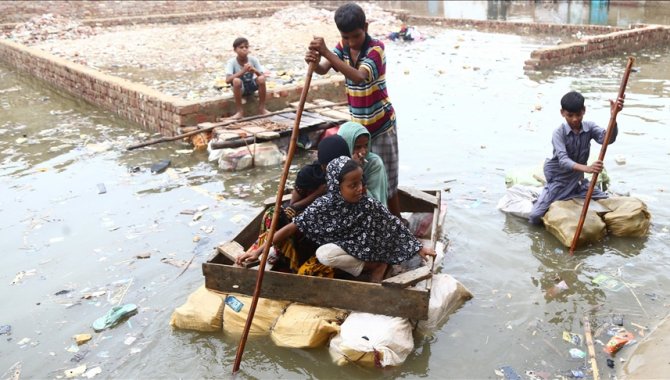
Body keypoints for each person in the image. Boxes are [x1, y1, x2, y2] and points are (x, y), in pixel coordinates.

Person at [237, 156, 436, 283]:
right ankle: (371, 266)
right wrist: (258, 252)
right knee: (324, 254)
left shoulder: (367, 203)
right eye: (353, 185)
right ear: (336, 187)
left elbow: (392, 223)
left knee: (383, 230)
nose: (360, 189)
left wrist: (419, 248)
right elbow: (291, 228)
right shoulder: (323, 205)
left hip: (369, 246)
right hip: (347, 248)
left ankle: (378, 263)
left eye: (360, 183)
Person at [305, 2, 401, 217]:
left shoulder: (376, 49)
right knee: (357, 176)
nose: (350, 42)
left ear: (365, 27)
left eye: (355, 36)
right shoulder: (343, 47)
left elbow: (359, 76)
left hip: (381, 125)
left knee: (388, 177)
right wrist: (314, 60)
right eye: (345, 37)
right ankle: (366, 218)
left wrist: (327, 52)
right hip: (358, 129)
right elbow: (323, 69)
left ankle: (398, 219)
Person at [246, 135, 351, 276]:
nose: (333, 169)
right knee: (274, 214)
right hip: (307, 216)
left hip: (337, 229)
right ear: (321, 164)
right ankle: (280, 251)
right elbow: (294, 207)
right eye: (328, 166)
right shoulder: (309, 175)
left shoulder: (352, 177)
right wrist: (318, 194)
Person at [528, 91, 624, 225]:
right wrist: (587, 168)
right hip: (559, 182)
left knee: (607, 201)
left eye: (578, 114)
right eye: (570, 115)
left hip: (579, 182)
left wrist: (614, 117)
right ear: (562, 113)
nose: (575, 119)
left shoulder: (589, 127)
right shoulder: (559, 133)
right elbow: (563, 160)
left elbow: (607, 139)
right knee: (535, 216)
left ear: (584, 111)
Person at [337, 121, 388, 205]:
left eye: (366, 145)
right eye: (357, 147)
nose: (363, 151)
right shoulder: (336, 163)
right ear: (346, 145)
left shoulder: (374, 163)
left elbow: (375, 200)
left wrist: (356, 169)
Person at [225, 37, 269, 119]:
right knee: (236, 80)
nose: (244, 49)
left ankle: (262, 109)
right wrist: (243, 71)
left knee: (261, 79)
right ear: (235, 50)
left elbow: (263, 76)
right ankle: (240, 112)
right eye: (241, 47)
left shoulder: (253, 60)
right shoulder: (232, 62)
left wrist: (255, 70)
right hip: (240, 88)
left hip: (251, 85)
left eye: (246, 47)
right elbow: (227, 80)